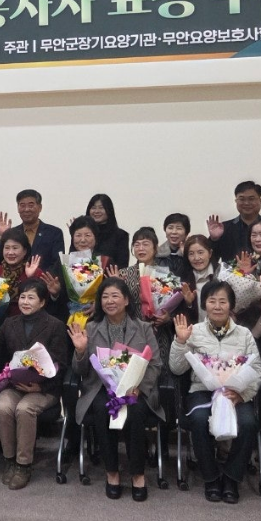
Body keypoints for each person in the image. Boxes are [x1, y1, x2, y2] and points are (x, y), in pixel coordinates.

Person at [169, 281, 261, 504]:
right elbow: (176, 368)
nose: (217, 306)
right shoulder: (194, 331)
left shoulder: (244, 334)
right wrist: (181, 341)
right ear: (205, 304)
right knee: (199, 419)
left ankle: (231, 478)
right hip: (202, 391)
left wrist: (243, 395)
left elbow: (256, 369)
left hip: (235, 393)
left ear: (231, 305)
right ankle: (210, 477)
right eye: (212, 301)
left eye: (223, 301)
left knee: (248, 422)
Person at [70, 278, 161, 501]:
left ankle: (138, 474)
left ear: (127, 300)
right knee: (102, 408)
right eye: (105, 297)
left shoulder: (144, 328)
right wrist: (80, 351)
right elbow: (80, 370)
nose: (110, 301)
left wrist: (139, 388)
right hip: (101, 387)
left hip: (135, 389)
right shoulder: (91, 328)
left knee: (136, 411)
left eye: (115, 296)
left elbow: (156, 364)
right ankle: (112, 472)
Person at [0, 279, 69, 491]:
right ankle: (9, 459)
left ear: (42, 302)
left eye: (31, 297)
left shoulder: (55, 325)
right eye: (22, 297)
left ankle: (23, 464)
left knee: (24, 409)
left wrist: (41, 387)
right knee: (3, 408)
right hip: (14, 384)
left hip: (43, 388)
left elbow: (61, 363)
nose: (25, 302)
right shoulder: (10, 323)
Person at [108, 227, 196, 365]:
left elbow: (176, 306)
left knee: (158, 368)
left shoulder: (166, 275)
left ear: (155, 248)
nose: (141, 248)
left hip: (159, 334)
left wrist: (168, 317)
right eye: (137, 245)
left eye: (145, 244)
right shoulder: (123, 274)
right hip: (131, 333)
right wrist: (116, 286)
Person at [0, 189, 65, 274]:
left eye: (31, 205)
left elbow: (57, 264)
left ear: (40, 207)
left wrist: (39, 278)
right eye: (22, 205)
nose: (26, 209)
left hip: (43, 280)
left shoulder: (54, 233)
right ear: (18, 208)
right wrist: (2, 236)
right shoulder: (13, 233)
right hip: (14, 280)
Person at [0, 227, 48, 319]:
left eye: (15, 248)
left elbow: (43, 301)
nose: (10, 252)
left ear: (25, 251)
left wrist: (30, 277)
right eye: (7, 248)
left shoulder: (36, 272)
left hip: (27, 321)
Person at [79, 194, 129, 268]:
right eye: (93, 208)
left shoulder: (120, 235)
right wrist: (75, 231)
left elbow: (122, 266)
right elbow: (73, 259)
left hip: (110, 274)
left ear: (109, 210)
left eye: (101, 208)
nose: (97, 211)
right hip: (81, 273)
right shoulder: (81, 235)